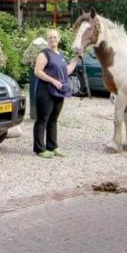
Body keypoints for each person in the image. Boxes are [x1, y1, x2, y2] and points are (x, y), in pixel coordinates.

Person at [32, 28, 81, 158]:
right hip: (45, 91)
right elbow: (37, 71)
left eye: (55, 37)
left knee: (53, 120)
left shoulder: (60, 55)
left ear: (59, 39)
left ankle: (52, 146)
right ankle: (39, 149)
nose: (53, 39)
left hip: (58, 92)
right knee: (42, 120)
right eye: (50, 37)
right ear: (47, 40)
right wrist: (53, 81)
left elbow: (67, 71)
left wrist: (76, 59)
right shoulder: (44, 54)